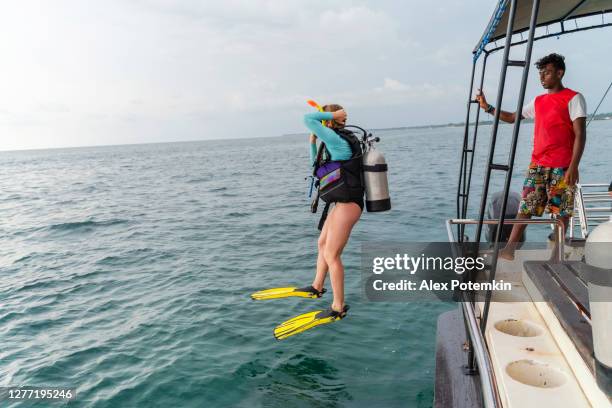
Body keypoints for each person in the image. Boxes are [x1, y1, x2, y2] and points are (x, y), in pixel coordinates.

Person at [251, 104, 362, 340]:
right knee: (322, 243)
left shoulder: (336, 139)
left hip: (349, 205)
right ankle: (316, 287)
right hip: (341, 205)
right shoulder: (335, 140)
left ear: (328, 122)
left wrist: (330, 116)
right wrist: (312, 141)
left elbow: (306, 117)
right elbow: (317, 165)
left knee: (332, 255)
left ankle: (338, 306)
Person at [476, 53, 587, 260]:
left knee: (561, 212)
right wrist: (488, 107)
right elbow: (511, 118)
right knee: (525, 207)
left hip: (562, 167)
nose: (542, 77)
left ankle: (557, 254)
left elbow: (581, 134)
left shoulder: (574, 98)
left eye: (547, 72)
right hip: (538, 165)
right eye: (540, 73)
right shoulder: (538, 101)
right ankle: (509, 249)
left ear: (560, 73)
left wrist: (573, 166)